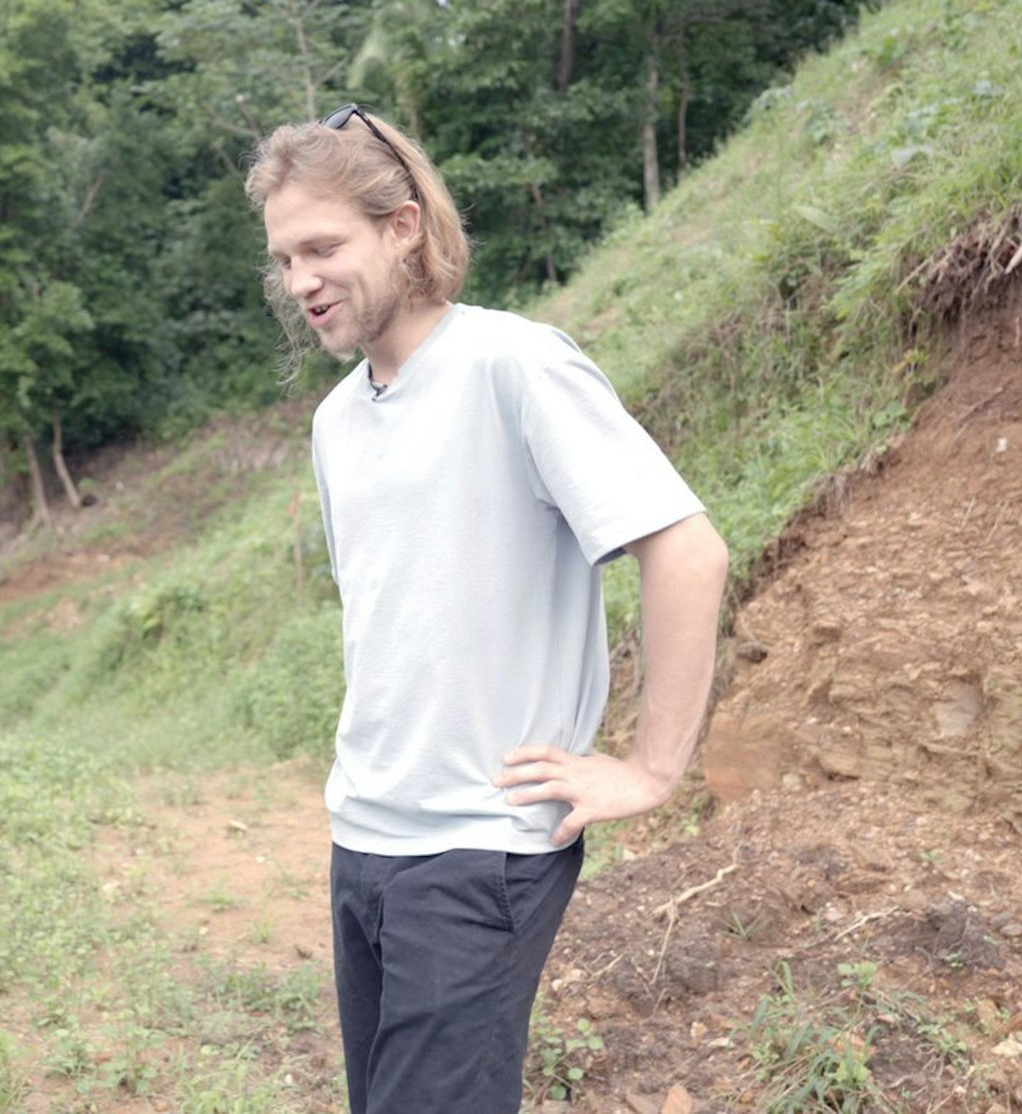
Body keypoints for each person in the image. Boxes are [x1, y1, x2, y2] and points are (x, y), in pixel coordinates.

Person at [246, 105, 730, 1113]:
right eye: (285, 258)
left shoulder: (515, 365)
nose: (301, 282)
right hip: (364, 834)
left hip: (480, 847)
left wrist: (648, 768)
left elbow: (684, 548)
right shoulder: (337, 421)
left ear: (401, 226)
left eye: (322, 247)